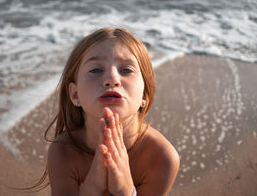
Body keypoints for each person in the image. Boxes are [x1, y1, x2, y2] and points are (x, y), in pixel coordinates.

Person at [41, 27, 179, 195]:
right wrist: (92, 188)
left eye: (126, 70)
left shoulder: (160, 156)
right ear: (75, 94)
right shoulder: (63, 152)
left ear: (144, 94)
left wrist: (126, 192)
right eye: (96, 70)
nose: (111, 79)